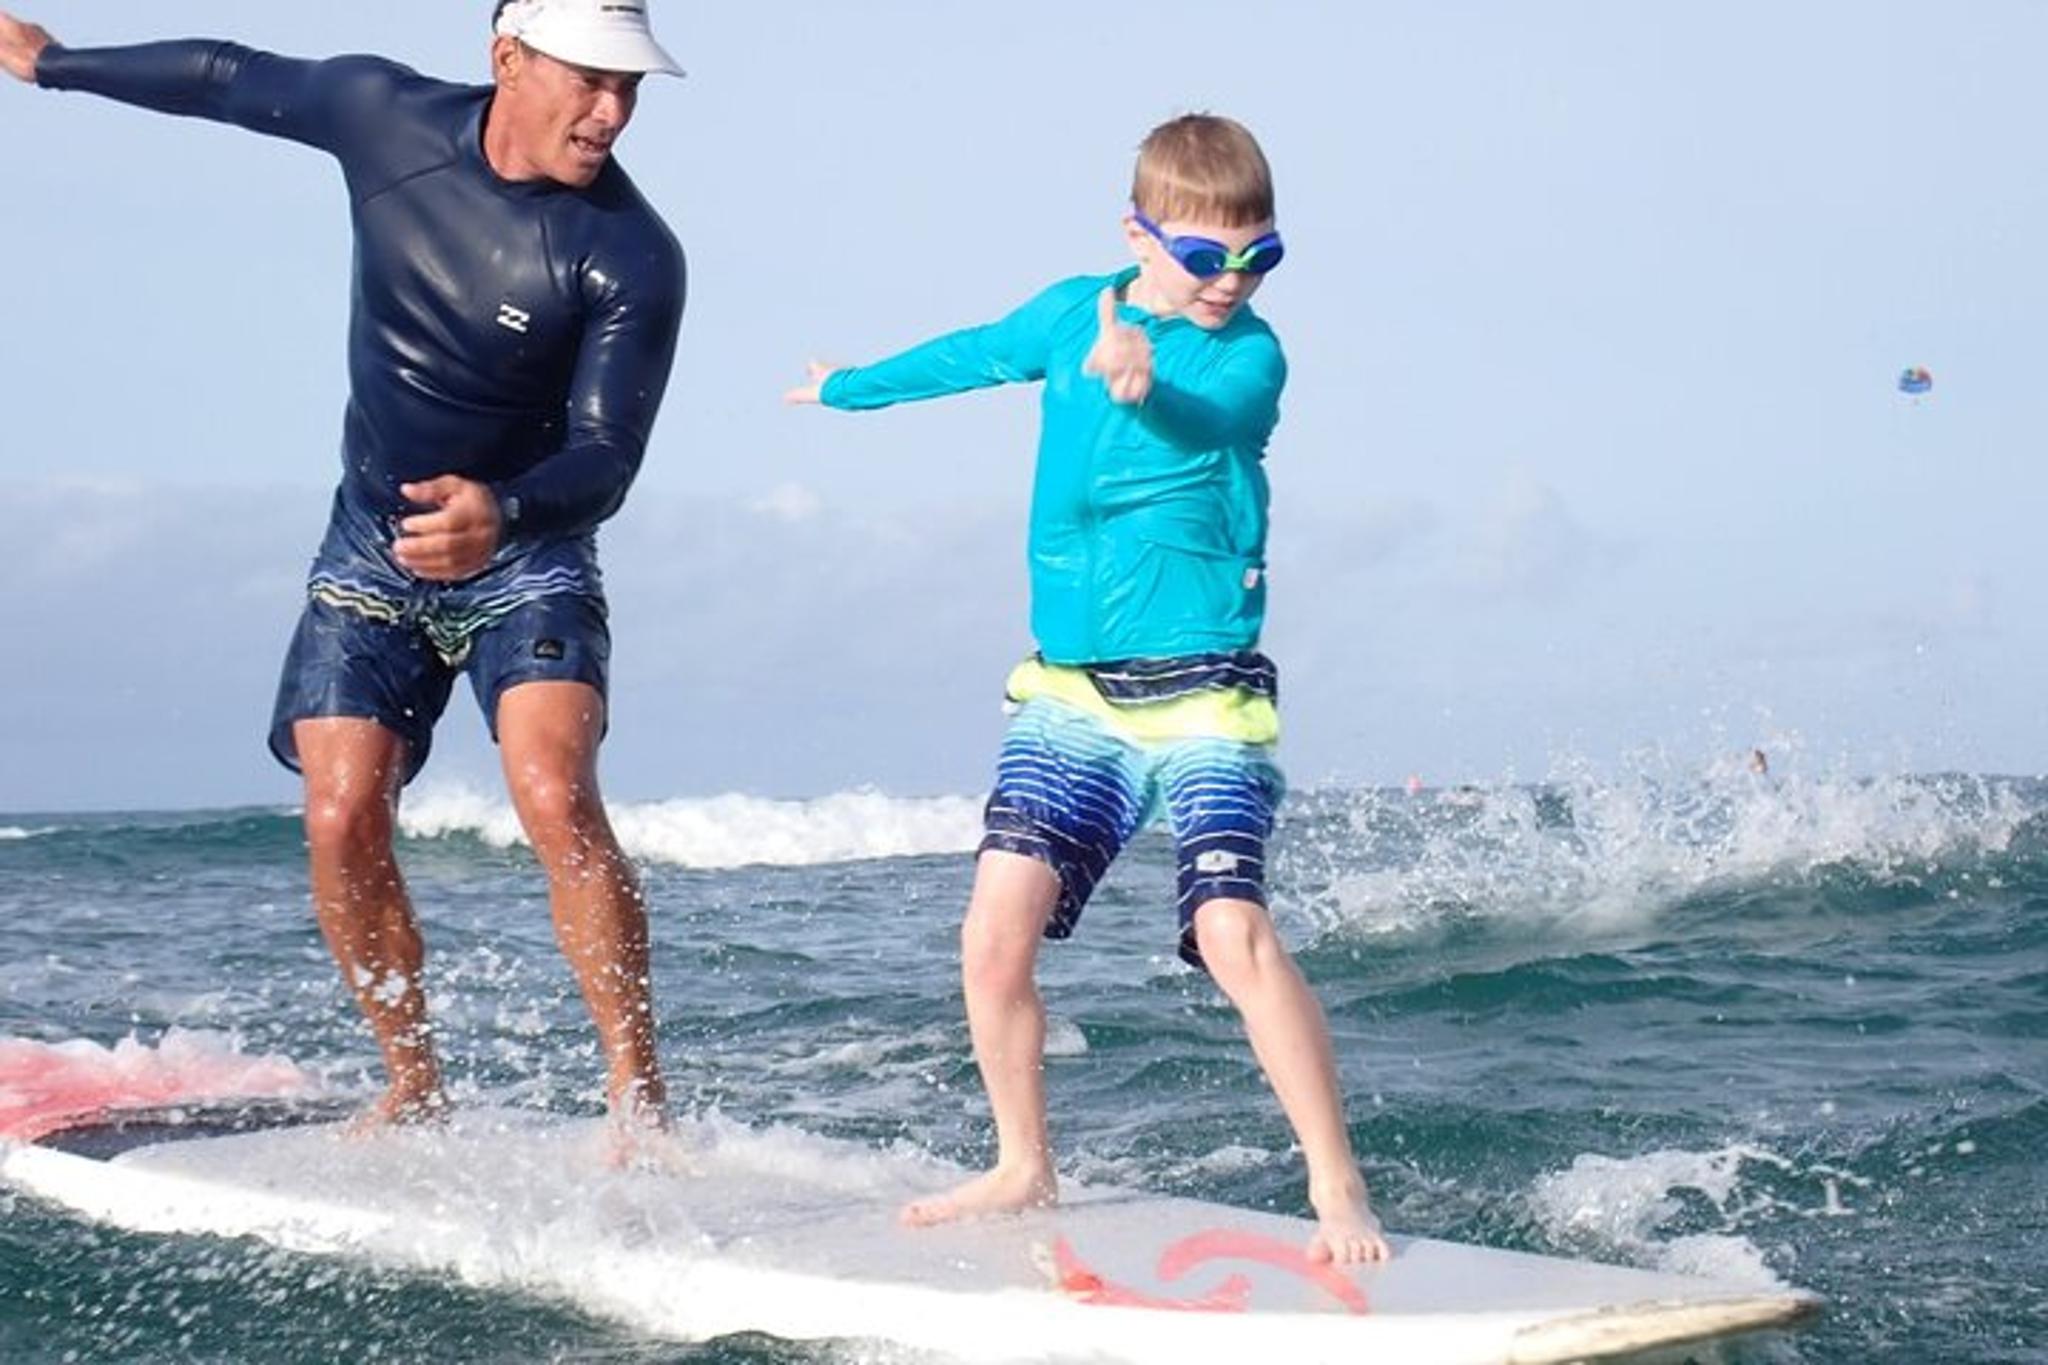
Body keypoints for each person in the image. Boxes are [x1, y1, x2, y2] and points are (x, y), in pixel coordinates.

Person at [0, 1, 687, 1134]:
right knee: (338, 814)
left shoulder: (630, 255)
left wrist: (505, 511)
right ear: (508, 59)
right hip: (371, 544)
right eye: (591, 80)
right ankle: (413, 1083)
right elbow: (226, 75)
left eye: (630, 88)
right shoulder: (385, 115)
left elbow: (607, 456)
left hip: (526, 553)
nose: (611, 112)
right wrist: (58, 66)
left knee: (555, 797)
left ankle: (638, 1097)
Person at [787, 115, 1391, 1265]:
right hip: (1072, 693)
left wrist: (1143, 384)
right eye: (1206, 256)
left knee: (1229, 932)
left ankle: (1335, 1184)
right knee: (991, 939)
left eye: (1259, 255)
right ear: (1137, 234)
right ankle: (1023, 1166)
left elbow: (1212, 424)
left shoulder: (1249, 355)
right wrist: (849, 390)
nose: (1232, 280)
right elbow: (973, 353)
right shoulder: (1075, 313)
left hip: (1204, 688)